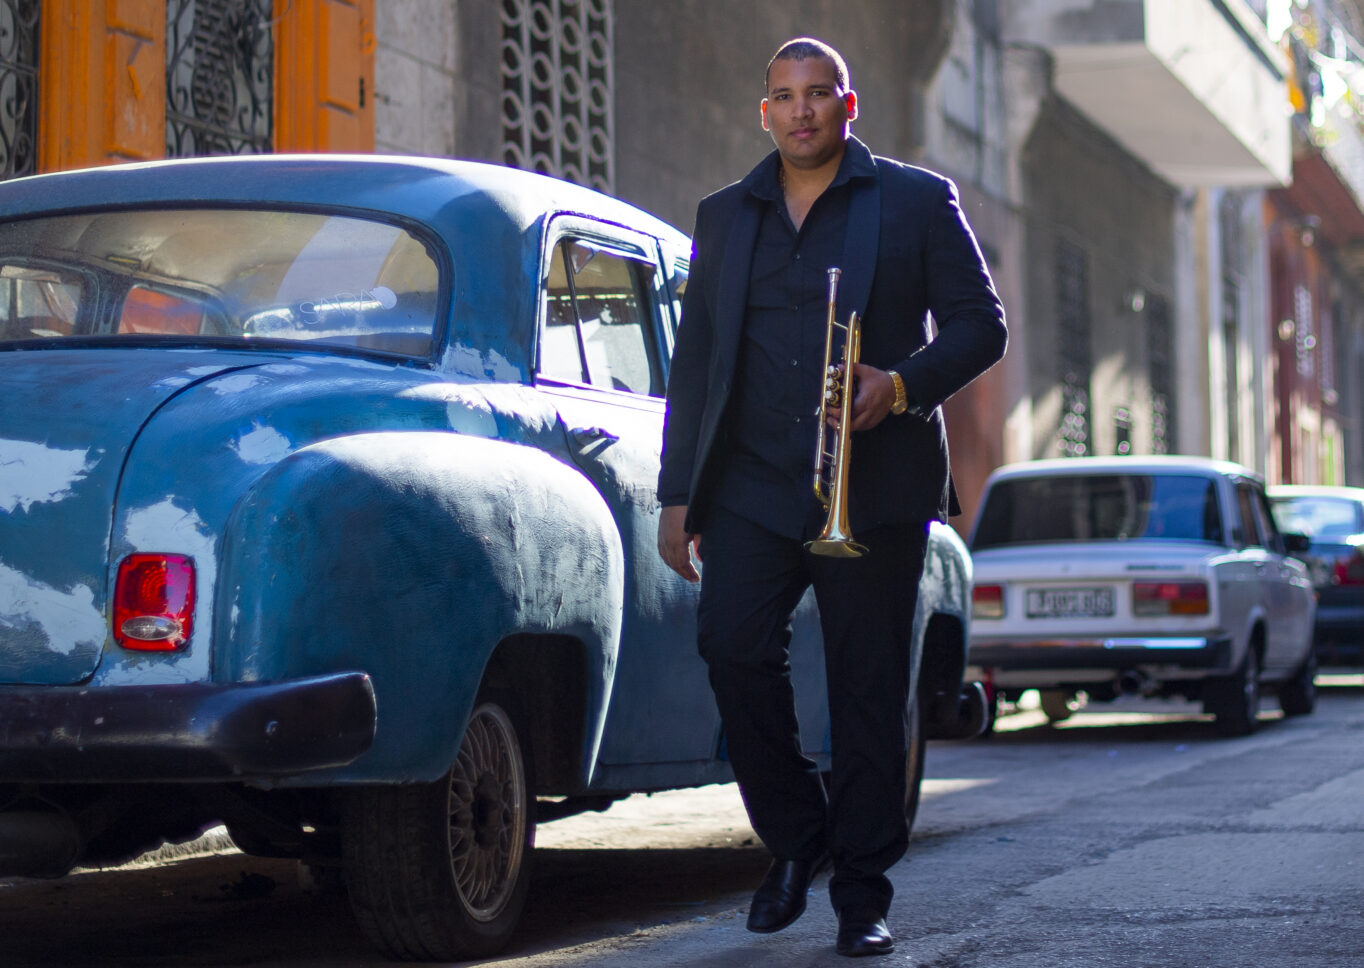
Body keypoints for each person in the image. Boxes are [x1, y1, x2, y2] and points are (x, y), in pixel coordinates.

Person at [656, 38, 1007, 958]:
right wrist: (677, 493)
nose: (801, 111)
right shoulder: (725, 215)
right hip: (752, 488)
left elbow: (982, 324)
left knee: (866, 692)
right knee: (730, 647)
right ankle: (798, 835)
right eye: (784, 96)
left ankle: (860, 891)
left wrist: (902, 384)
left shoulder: (916, 200)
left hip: (875, 485)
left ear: (848, 108)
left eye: (818, 95)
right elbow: (695, 365)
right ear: (763, 111)